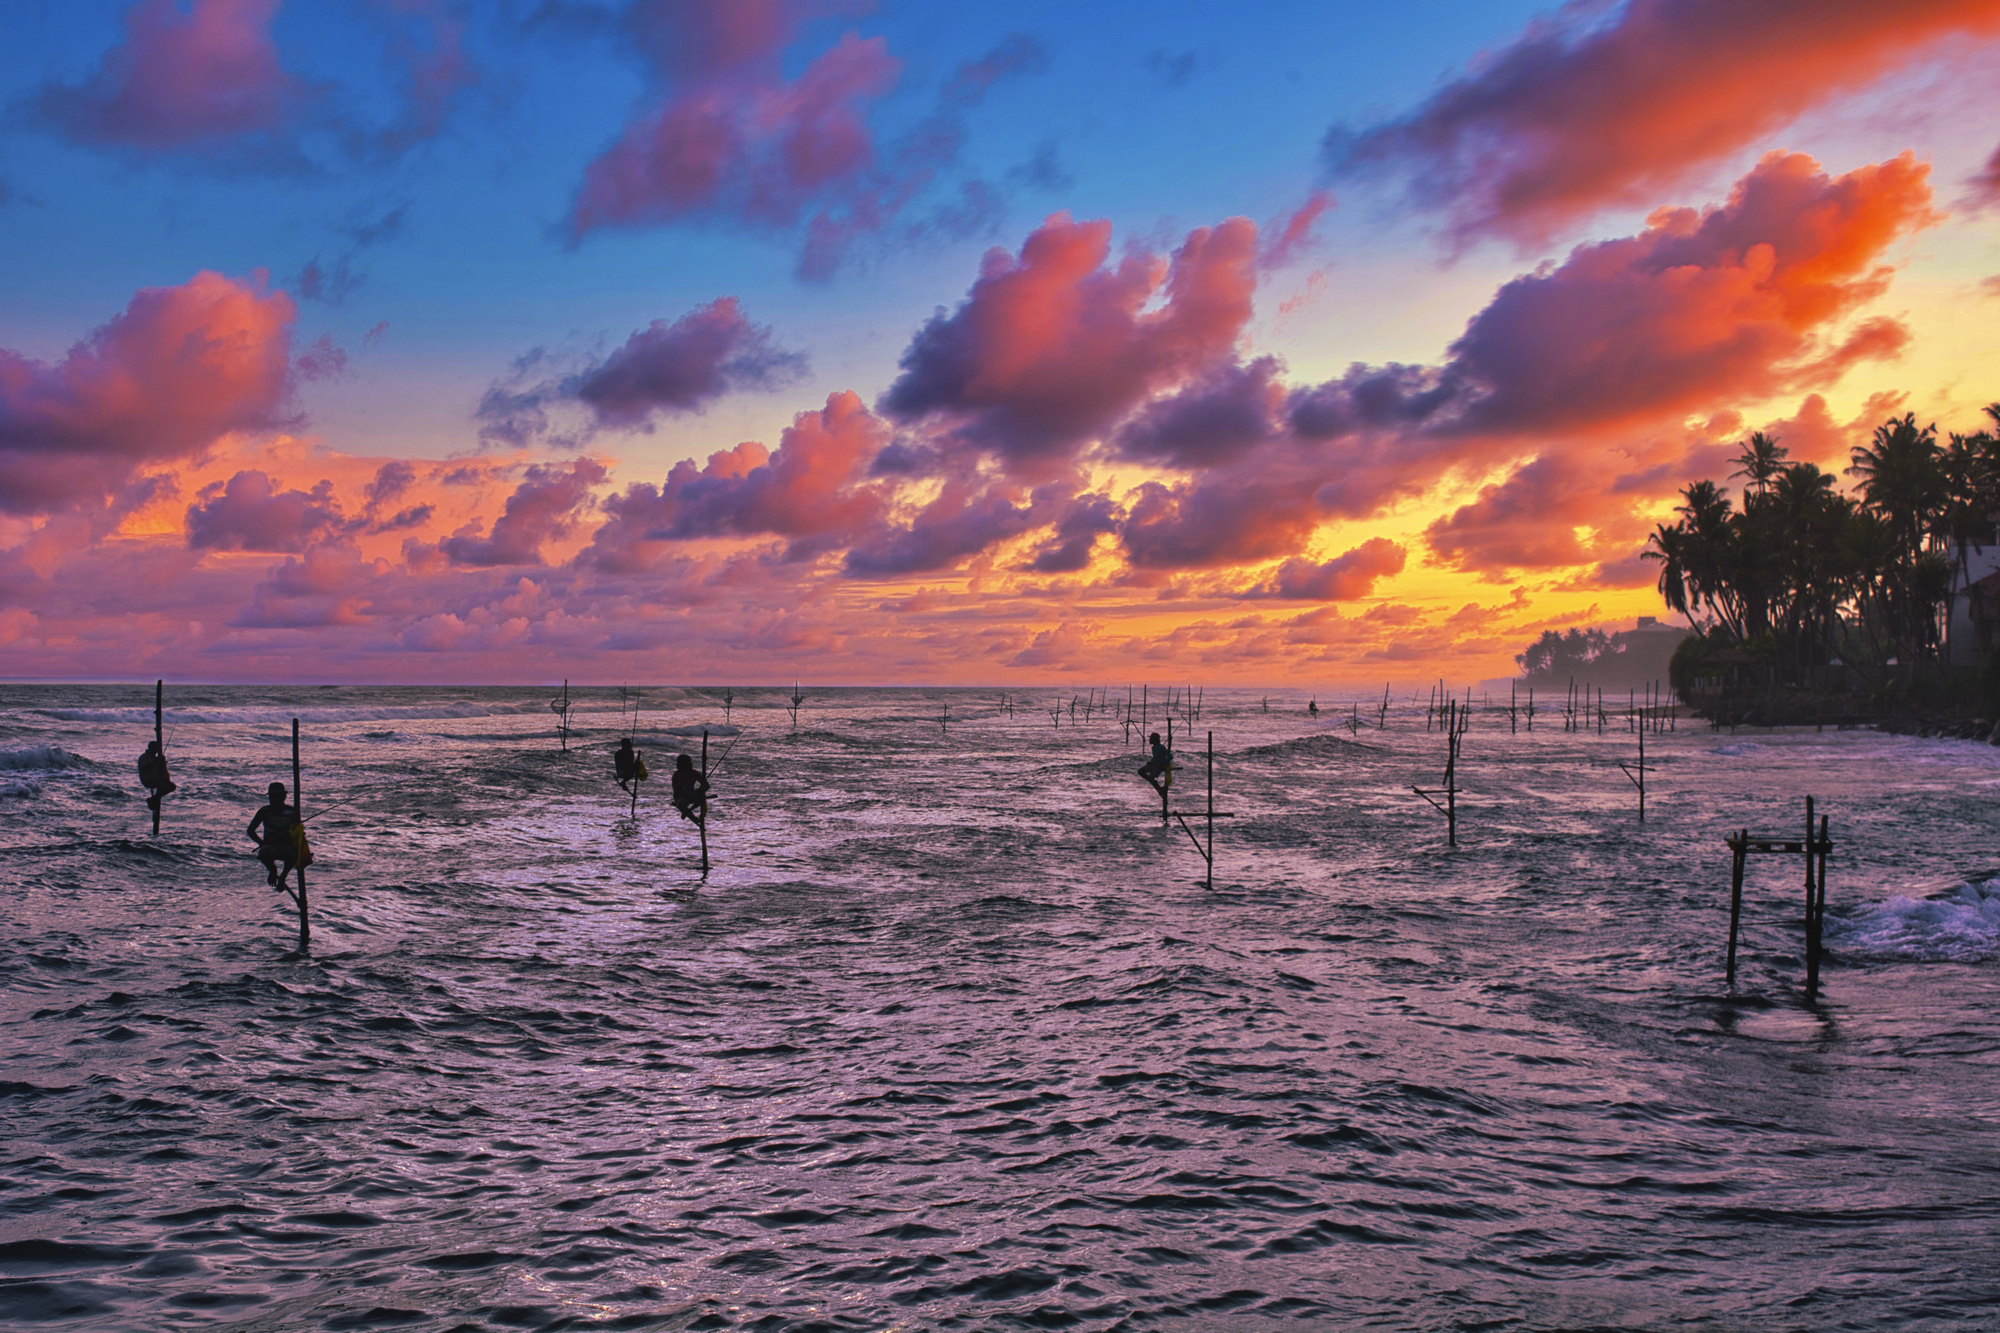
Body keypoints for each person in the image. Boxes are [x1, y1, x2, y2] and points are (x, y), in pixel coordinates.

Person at [247, 782, 301, 889]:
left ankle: (283, 876)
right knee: (264, 853)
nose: (274, 799)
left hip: (287, 845)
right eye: (272, 796)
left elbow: (298, 832)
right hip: (270, 845)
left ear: (283, 796)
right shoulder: (264, 811)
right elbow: (250, 830)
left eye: (277, 796)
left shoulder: (292, 812)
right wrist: (261, 842)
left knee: (293, 852)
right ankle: (272, 870)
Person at [137, 740, 176, 810]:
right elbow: (144, 768)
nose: (157, 750)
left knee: (172, 786)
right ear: (151, 748)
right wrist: (156, 761)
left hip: (156, 779)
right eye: (155, 748)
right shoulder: (144, 757)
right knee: (165, 788)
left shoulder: (155, 758)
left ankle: (153, 799)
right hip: (148, 779)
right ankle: (152, 800)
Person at [670, 754, 709, 824]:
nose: (690, 765)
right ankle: (691, 815)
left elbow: (707, 786)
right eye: (687, 763)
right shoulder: (676, 775)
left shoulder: (694, 773)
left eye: (690, 763)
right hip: (680, 797)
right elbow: (676, 791)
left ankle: (689, 810)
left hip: (692, 795)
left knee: (702, 796)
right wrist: (686, 795)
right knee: (681, 803)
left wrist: (700, 790)